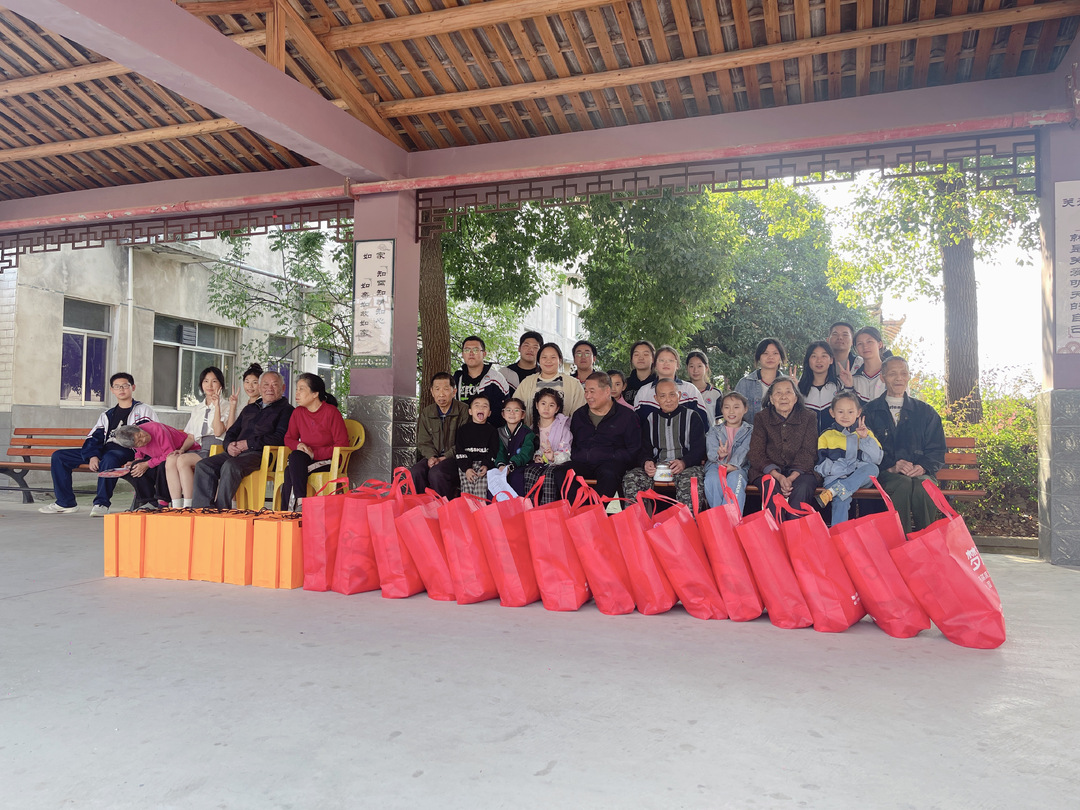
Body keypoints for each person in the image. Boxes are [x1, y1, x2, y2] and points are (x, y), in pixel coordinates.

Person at [38, 372, 156, 516]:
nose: (121, 389)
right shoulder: (107, 414)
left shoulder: (143, 410)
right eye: (117, 387)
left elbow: (151, 436)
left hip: (127, 451)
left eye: (125, 386)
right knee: (59, 456)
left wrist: (140, 458)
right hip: (105, 450)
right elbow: (94, 437)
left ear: (133, 387)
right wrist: (92, 456)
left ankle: (101, 503)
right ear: (112, 390)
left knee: (110, 458)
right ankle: (65, 502)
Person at [863, 356, 947, 532]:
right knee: (902, 484)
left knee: (924, 486)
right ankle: (901, 541)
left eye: (903, 373)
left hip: (919, 471)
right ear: (882, 377)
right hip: (885, 473)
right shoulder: (870, 411)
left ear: (909, 376)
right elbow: (864, 447)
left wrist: (923, 467)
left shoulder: (925, 412)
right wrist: (891, 466)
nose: (898, 378)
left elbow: (937, 449)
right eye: (892, 373)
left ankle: (928, 539)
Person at [192, 371, 293, 509]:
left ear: (283, 388)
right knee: (204, 465)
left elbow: (279, 437)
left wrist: (248, 444)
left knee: (230, 465)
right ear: (260, 388)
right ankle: (202, 510)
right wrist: (228, 446)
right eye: (265, 384)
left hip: (261, 454)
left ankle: (221, 510)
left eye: (275, 385)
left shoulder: (287, 410)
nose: (270, 388)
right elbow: (232, 431)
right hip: (236, 452)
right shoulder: (250, 408)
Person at [622, 379, 707, 509]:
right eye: (663, 396)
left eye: (672, 394)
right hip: (658, 467)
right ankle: (636, 525)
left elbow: (699, 449)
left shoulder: (692, 417)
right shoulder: (651, 419)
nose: (668, 399)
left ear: (679, 395)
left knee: (690, 482)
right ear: (656, 398)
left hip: (686, 467)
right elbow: (644, 449)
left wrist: (684, 462)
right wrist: (646, 462)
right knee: (632, 478)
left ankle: (687, 526)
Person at [557, 372, 642, 501]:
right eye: (586, 391)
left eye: (592, 391)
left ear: (607, 391)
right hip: (582, 462)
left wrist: (609, 455)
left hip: (610, 465)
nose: (588, 396)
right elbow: (572, 443)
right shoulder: (579, 415)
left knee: (609, 474)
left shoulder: (627, 416)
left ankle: (594, 511)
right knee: (560, 472)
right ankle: (582, 510)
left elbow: (633, 450)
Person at [747, 377, 819, 518]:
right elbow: (756, 452)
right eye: (778, 393)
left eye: (788, 392)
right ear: (771, 399)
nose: (783, 396)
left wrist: (791, 477)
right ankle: (775, 534)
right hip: (768, 471)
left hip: (801, 472)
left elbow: (809, 451)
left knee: (802, 488)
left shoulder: (809, 416)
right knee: (770, 486)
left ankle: (794, 534)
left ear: (796, 398)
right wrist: (778, 476)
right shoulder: (761, 417)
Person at [815, 391, 883, 526]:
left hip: (858, 478)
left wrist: (865, 439)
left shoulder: (866, 433)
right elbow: (821, 464)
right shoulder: (826, 435)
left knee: (873, 469)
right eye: (840, 412)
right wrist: (842, 470)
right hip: (835, 477)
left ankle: (836, 490)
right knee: (842, 498)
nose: (845, 416)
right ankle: (839, 536)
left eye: (850, 412)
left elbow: (876, 459)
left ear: (858, 413)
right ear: (832, 413)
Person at [281, 373, 348, 510]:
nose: (297, 393)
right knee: (294, 459)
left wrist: (314, 454)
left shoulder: (331, 412)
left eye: (302, 389)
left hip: (330, 460)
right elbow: (288, 438)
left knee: (292, 471)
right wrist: (299, 445)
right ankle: (297, 506)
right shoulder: (298, 412)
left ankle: (293, 510)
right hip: (306, 459)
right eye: (297, 389)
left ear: (315, 394)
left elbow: (341, 445)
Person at [165, 366, 228, 509]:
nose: (210, 385)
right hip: (202, 448)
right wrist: (181, 449)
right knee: (171, 459)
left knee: (183, 461)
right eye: (206, 381)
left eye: (214, 381)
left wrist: (216, 406)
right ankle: (176, 506)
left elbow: (219, 432)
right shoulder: (197, 409)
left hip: (217, 448)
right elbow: (191, 436)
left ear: (221, 385)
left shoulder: (227, 406)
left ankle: (189, 505)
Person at [112, 423, 199, 510]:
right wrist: (137, 459)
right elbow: (140, 451)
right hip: (160, 456)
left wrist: (147, 464)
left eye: (140, 435)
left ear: (138, 428)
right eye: (139, 442)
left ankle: (163, 501)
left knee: (163, 465)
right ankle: (150, 500)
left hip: (182, 452)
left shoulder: (157, 429)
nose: (144, 439)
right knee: (135, 467)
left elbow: (170, 454)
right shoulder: (135, 441)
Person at [410, 372, 469, 498]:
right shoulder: (427, 412)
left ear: (454, 392)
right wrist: (431, 457)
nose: (441, 394)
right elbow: (423, 441)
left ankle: (443, 509)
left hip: (455, 458)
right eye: (437, 389)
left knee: (436, 473)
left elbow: (464, 442)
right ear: (432, 391)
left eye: (446, 389)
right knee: (415, 471)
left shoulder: (463, 410)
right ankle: (421, 507)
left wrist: (445, 457)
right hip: (433, 457)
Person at [521, 388, 573, 505]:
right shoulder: (532, 428)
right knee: (529, 472)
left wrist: (553, 457)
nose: (546, 408)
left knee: (549, 475)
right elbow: (533, 449)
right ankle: (531, 510)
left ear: (557, 409)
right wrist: (537, 456)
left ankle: (548, 511)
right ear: (537, 405)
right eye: (543, 403)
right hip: (540, 465)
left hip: (557, 464)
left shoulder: (563, 428)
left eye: (551, 405)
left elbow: (567, 453)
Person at [514, 342, 585, 427]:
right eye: (544, 357)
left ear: (560, 360)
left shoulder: (573, 384)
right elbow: (515, 408)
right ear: (539, 360)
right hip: (532, 437)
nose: (548, 361)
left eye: (553, 357)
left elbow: (581, 415)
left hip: (564, 438)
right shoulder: (527, 382)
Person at [704, 391, 753, 514]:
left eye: (736, 407)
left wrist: (733, 465)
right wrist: (719, 455)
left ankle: (731, 520)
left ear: (745, 409)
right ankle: (718, 516)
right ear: (721, 410)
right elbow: (711, 451)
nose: (731, 411)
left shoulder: (750, 430)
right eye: (727, 407)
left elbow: (745, 449)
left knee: (735, 479)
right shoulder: (715, 430)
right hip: (716, 465)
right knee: (712, 480)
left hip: (739, 467)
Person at [633, 345, 707, 419]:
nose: (666, 363)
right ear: (655, 364)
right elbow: (637, 424)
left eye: (671, 360)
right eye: (661, 360)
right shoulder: (644, 392)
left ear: (677, 365)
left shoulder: (690, 390)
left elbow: (702, 423)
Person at [451, 336, 510, 428]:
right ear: (462, 354)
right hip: (462, 433)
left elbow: (506, 409)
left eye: (475, 350)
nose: (471, 353)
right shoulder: (457, 379)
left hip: (491, 434)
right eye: (467, 350)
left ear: (484, 353)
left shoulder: (496, 379)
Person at [487, 397, 536, 498]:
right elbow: (498, 451)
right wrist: (501, 465)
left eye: (516, 410)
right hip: (502, 467)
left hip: (519, 467)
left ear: (523, 415)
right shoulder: (498, 432)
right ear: (503, 414)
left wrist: (511, 465)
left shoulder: (528, 433)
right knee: (494, 480)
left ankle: (518, 510)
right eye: (508, 410)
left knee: (516, 478)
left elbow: (525, 453)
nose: (512, 413)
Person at [734, 337, 789, 424]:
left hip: (781, 436)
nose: (770, 357)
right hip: (750, 436)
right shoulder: (745, 383)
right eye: (765, 353)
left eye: (775, 353)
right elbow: (734, 415)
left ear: (780, 357)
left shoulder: (789, 384)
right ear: (759, 357)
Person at [456, 394, 500, 498]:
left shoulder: (492, 431)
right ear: (470, 411)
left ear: (489, 413)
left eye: (485, 406)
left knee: (480, 493)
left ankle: (480, 513)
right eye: (477, 405)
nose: (481, 408)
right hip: (466, 465)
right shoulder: (463, 430)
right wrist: (466, 468)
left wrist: (486, 465)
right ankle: (468, 513)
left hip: (483, 466)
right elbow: (460, 451)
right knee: (467, 493)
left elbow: (493, 451)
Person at [798, 341, 843, 433]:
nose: (819, 360)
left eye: (824, 356)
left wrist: (849, 386)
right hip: (807, 443)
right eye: (814, 356)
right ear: (808, 360)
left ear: (831, 360)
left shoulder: (839, 385)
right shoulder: (799, 387)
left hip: (834, 443)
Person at [852, 326, 888, 404]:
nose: (865, 346)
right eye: (860, 344)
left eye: (869, 342)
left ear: (880, 344)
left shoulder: (892, 374)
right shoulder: (854, 377)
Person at [686, 350, 722, 423]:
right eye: (691, 366)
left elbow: (717, 421)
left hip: (709, 434)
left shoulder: (716, 393)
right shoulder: (681, 390)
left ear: (706, 368)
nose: (695, 370)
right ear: (687, 368)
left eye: (699, 366)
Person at [226, 363, 263, 430]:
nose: (250, 386)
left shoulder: (264, 406)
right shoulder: (243, 405)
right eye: (247, 382)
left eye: (255, 382)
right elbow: (230, 430)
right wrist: (233, 406)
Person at [623, 340, 658, 406]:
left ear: (653, 359)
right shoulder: (624, 385)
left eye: (645, 354)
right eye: (636, 354)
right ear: (632, 359)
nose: (641, 358)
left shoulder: (660, 383)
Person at [828, 321, 859, 390]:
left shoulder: (860, 364)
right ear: (828, 340)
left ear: (852, 342)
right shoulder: (820, 364)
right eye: (835, 334)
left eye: (845, 335)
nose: (840, 338)